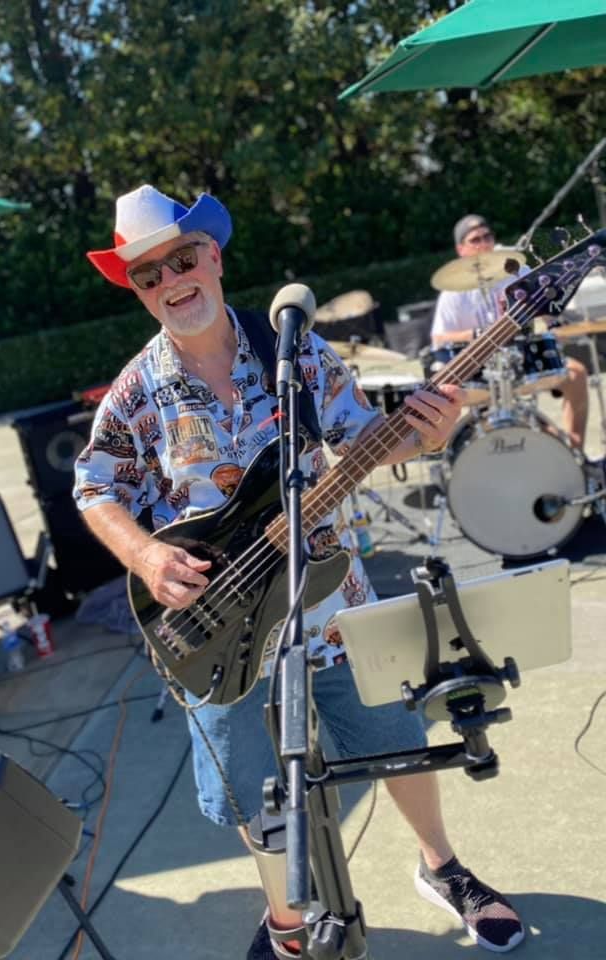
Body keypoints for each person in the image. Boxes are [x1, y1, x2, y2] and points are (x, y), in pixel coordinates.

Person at [74, 185, 525, 957]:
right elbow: (94, 487)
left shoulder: (294, 350)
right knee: (253, 786)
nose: (169, 281)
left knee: (398, 733)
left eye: (181, 259)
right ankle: (285, 916)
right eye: (147, 275)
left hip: (333, 602)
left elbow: (363, 440)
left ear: (212, 256)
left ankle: (440, 865)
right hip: (215, 630)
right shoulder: (136, 390)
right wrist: (145, 554)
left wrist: (423, 434)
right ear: (138, 290)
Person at [431, 213, 589, 449]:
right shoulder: (452, 292)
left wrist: (555, 322)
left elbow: (546, 309)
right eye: (475, 240)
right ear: (461, 249)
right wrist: (475, 334)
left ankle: (576, 455)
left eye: (487, 236)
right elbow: (438, 338)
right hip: (478, 372)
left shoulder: (514, 270)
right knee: (441, 401)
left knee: (577, 374)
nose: (484, 243)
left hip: (522, 360)